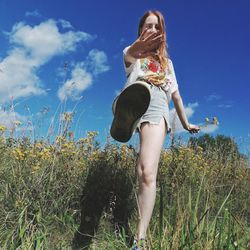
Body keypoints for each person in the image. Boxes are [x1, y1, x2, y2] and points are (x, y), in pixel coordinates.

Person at [112, 10, 200, 250]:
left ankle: (140, 239)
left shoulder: (167, 64)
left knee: (146, 172)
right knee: (142, 171)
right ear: (141, 30)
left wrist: (185, 123)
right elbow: (129, 56)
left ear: (162, 32)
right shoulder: (133, 52)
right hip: (137, 97)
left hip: (157, 105)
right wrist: (134, 50)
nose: (151, 30)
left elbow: (177, 97)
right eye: (147, 26)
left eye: (156, 27)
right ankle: (125, 114)